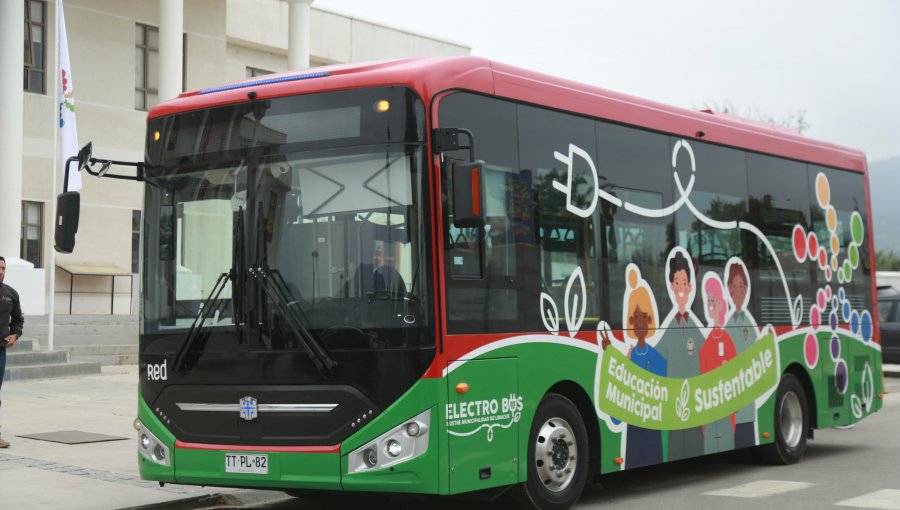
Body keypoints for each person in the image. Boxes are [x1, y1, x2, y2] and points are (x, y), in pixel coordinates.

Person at [656, 248, 705, 461]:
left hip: (694, 400)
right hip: (674, 403)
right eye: (677, 284)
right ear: (671, 287)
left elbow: (706, 354)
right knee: (675, 441)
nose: (681, 288)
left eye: (684, 283)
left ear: (691, 287)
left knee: (695, 438)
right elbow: (658, 353)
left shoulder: (695, 325)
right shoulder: (668, 327)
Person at [723, 258, 759, 448]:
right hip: (734, 399)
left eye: (741, 286)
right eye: (734, 287)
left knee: (746, 435)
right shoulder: (727, 325)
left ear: (746, 289)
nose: (738, 292)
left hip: (747, 400)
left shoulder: (750, 324)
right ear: (728, 289)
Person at [700, 272, 737, 454]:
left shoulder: (726, 338)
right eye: (708, 302)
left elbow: (736, 368)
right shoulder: (705, 342)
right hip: (709, 405)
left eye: (714, 301)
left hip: (724, 403)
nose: (711, 305)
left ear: (721, 304)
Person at [0, 256, 25, 448]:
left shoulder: (11, 294)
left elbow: (17, 319)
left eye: (3, 268)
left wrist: (15, 335)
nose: (1, 271)